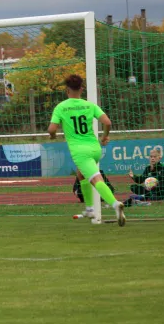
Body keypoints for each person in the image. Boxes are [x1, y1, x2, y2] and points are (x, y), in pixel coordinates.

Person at [48, 74, 126, 226]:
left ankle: (115, 204)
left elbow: (51, 128)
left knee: (96, 179)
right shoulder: (90, 105)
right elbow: (107, 122)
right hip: (95, 148)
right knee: (81, 174)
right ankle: (90, 208)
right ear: (82, 89)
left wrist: (53, 135)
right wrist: (104, 137)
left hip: (80, 151)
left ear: (67, 90)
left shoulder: (61, 107)